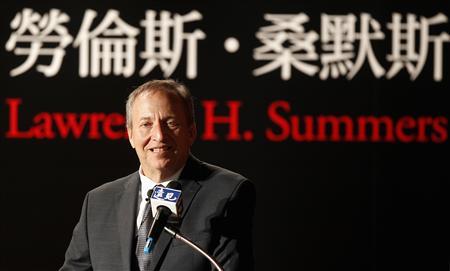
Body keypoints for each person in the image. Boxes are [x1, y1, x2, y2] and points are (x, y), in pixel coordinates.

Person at [59, 79, 255, 271]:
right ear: (130, 135)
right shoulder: (99, 201)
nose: (159, 135)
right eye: (146, 124)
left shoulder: (227, 192)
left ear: (191, 132)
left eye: (170, 123)